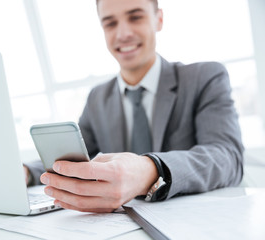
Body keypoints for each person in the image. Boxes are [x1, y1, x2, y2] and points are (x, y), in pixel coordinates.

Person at [24, 0, 244, 213]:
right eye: (110, 23)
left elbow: (227, 156)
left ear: (158, 19)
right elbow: (72, 158)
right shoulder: (98, 98)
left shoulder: (204, 78)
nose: (123, 33)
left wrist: (149, 170)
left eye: (135, 17)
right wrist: (26, 171)